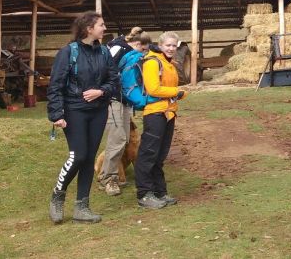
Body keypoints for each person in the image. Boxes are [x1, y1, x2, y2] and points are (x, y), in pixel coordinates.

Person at [47, 12, 120, 224]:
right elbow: (55, 85)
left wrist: (101, 91)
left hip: (98, 110)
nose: (104, 28)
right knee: (78, 156)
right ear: (89, 28)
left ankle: (82, 207)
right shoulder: (69, 52)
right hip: (74, 110)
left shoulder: (105, 52)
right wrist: (56, 114)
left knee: (89, 158)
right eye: (101, 25)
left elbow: (114, 81)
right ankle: (57, 196)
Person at [135, 31, 187, 209]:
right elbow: (153, 88)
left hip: (168, 112)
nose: (171, 48)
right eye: (168, 45)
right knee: (148, 153)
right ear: (161, 45)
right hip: (155, 113)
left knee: (160, 155)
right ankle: (144, 194)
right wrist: (177, 92)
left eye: (174, 45)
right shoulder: (152, 61)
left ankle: (159, 191)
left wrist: (175, 95)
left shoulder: (168, 63)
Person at [97, 29, 149, 196]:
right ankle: (107, 178)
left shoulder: (128, 50)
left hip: (124, 100)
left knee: (125, 138)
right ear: (137, 44)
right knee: (117, 138)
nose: (143, 53)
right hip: (112, 99)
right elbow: (102, 72)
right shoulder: (117, 50)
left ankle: (114, 174)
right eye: (143, 49)